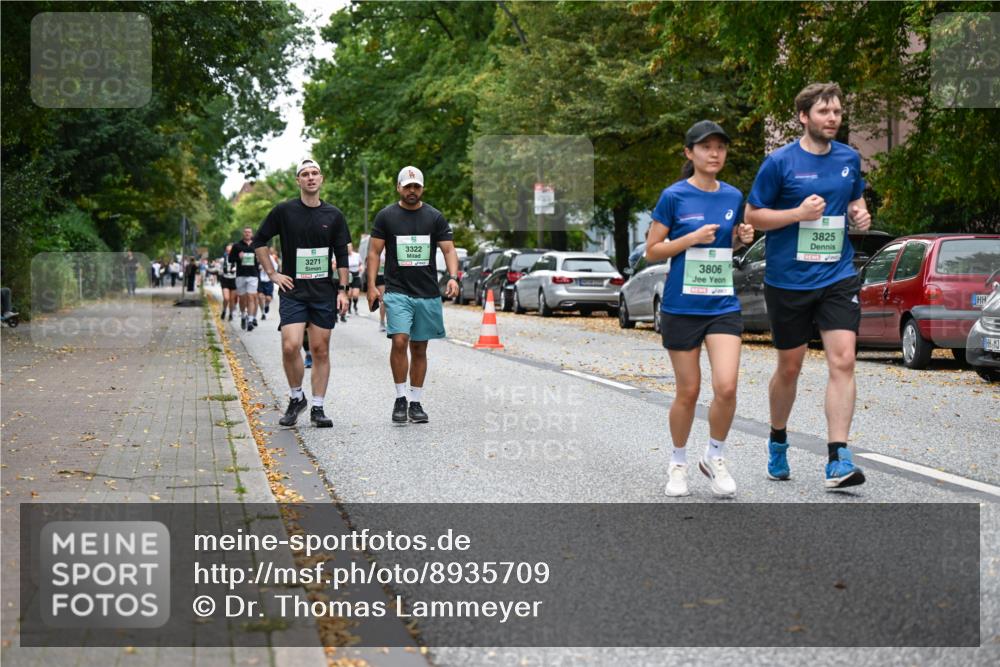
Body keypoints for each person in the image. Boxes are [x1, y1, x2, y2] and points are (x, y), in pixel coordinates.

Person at [745, 82, 871, 490]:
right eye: (823, 112)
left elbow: (855, 202)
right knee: (790, 366)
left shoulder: (849, 159)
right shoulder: (779, 163)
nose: (832, 118)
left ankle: (838, 457)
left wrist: (860, 214)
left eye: (836, 112)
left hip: (837, 274)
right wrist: (798, 213)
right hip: (788, 280)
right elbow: (755, 216)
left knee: (844, 360)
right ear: (804, 117)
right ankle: (778, 439)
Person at [646, 121, 755, 498]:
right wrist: (689, 237)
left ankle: (715, 456)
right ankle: (678, 463)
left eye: (721, 147)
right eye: (706, 147)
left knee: (726, 385)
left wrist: (741, 240)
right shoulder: (674, 197)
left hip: (721, 304)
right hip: (681, 306)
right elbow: (652, 250)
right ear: (689, 153)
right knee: (688, 391)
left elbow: (725, 250)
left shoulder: (732, 196)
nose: (714, 153)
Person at [253, 158, 351, 428]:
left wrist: (342, 290)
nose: (310, 177)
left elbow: (342, 254)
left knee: (320, 350)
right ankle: (297, 397)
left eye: (315, 173)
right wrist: (273, 274)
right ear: (298, 180)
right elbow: (259, 241)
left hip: (323, 292)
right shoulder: (284, 211)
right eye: (305, 174)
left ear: (321, 179)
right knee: (290, 345)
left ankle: (318, 407)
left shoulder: (334, 215)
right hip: (293, 290)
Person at [367, 165, 459, 424]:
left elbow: (449, 250)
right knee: (399, 341)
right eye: (407, 186)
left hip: (427, 292)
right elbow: (374, 253)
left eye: (416, 186)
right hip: (398, 291)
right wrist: (372, 285)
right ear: (398, 188)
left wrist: (452, 277)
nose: (412, 190)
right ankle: (400, 397)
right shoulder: (386, 216)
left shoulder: (435, 217)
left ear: (422, 188)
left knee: (419, 347)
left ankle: (415, 401)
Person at [230, 228, 260, 331]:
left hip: (253, 274)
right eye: (245, 232)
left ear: (252, 234)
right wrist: (239, 258)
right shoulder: (237, 246)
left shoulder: (256, 245)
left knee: (251, 297)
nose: (247, 233)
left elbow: (262, 258)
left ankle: (250, 320)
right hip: (241, 275)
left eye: (249, 232)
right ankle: (243, 316)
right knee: (242, 298)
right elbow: (230, 259)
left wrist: (258, 259)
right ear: (243, 233)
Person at [220, 244, 238, 321]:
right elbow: (218, 269)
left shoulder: (237, 260)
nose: (229, 252)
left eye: (230, 251)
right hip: (225, 279)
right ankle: (224, 310)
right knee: (226, 298)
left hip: (234, 280)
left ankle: (230, 313)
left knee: (232, 300)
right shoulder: (222, 260)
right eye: (227, 251)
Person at [257, 250, 274, 320]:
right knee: (260, 297)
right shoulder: (258, 258)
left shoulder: (270, 258)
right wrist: (259, 268)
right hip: (260, 280)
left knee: (268, 298)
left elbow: (275, 267)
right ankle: (263, 313)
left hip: (268, 280)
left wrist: (268, 269)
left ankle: (266, 305)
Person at [347, 243, 362, 315]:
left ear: (352, 247)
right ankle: (349, 309)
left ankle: (355, 306)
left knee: (355, 294)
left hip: (356, 276)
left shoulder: (357, 255)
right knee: (349, 294)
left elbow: (361, 264)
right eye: (347, 247)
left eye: (349, 247)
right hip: (348, 276)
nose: (348, 249)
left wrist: (361, 267)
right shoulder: (344, 257)